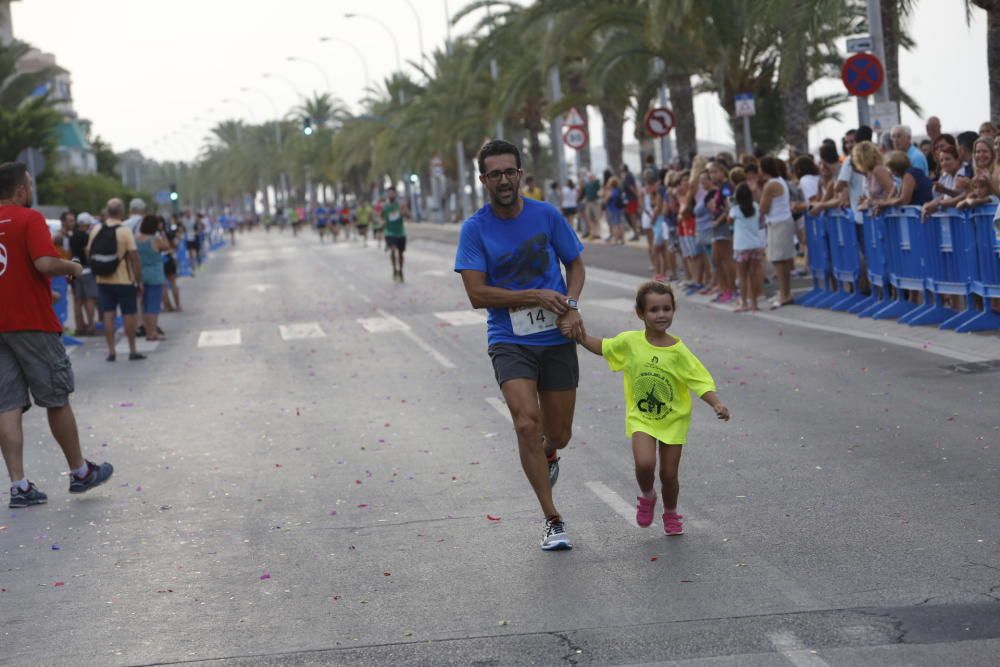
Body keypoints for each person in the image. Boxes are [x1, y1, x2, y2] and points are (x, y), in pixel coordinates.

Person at [454, 139, 585, 551]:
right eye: (495, 174)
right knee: (526, 422)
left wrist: (572, 306)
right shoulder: (475, 229)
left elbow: (575, 264)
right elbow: (477, 294)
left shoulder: (546, 215)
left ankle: (549, 453)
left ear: (521, 174)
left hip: (557, 334)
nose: (504, 180)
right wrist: (534, 295)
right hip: (509, 338)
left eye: (510, 172)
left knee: (558, 434)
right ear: (483, 181)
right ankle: (552, 518)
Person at [573, 281, 729, 535]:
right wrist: (578, 335)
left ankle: (670, 512)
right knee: (645, 464)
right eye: (654, 310)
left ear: (673, 310)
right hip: (641, 418)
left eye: (666, 309)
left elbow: (698, 381)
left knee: (669, 474)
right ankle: (647, 494)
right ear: (641, 314)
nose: (661, 315)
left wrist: (716, 403)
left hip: (673, 419)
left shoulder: (679, 352)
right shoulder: (630, 343)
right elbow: (603, 347)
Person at [0, 162, 114, 508]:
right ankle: (80, 472)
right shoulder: (28, 219)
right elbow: (44, 264)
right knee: (56, 395)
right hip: (31, 323)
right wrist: (73, 268)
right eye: (30, 185)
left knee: (6, 404)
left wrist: (38, 291)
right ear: (21, 189)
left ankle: (18, 485)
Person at [87, 198, 145, 362]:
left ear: (107, 211)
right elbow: (134, 257)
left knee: (108, 314)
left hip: (103, 279)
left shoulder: (97, 229)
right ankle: (132, 349)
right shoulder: (125, 231)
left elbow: (88, 252)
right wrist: (138, 280)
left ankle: (111, 351)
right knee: (129, 314)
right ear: (121, 212)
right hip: (124, 280)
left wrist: (99, 267)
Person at [759, 156, 796, 309]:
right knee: (783, 260)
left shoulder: (770, 185)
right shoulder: (780, 181)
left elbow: (763, 208)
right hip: (783, 221)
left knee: (778, 260)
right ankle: (784, 292)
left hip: (777, 223)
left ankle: (785, 293)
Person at [730, 183, 766, 312]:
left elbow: (729, 220)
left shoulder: (735, 210)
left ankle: (744, 302)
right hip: (755, 245)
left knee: (742, 276)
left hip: (741, 246)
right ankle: (754, 302)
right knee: (753, 275)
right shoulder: (756, 207)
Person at [135, 215, 171, 341]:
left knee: (144, 304)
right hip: (155, 274)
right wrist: (163, 234)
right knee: (154, 305)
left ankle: (147, 330)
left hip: (141, 274)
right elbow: (167, 246)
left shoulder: (136, 239)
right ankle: (152, 332)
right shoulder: (155, 239)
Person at [382, 190, 407, 282]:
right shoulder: (385, 207)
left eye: (393, 193)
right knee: (392, 250)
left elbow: (407, 215)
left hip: (400, 232)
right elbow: (382, 217)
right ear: (388, 195)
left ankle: (400, 270)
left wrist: (403, 212)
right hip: (390, 232)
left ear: (395, 195)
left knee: (400, 253)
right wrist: (383, 225)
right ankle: (394, 269)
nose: (391, 195)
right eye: (390, 193)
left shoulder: (400, 205)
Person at [604, 176, 626, 244]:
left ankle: (616, 239)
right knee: (621, 224)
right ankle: (623, 239)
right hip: (620, 208)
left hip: (613, 209)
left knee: (615, 224)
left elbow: (606, 200)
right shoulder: (619, 190)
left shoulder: (611, 191)